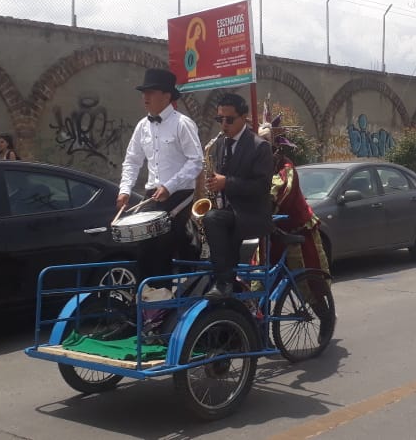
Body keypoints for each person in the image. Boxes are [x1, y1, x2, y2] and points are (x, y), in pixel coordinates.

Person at [118, 68, 204, 291]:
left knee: (161, 245)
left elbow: (196, 161)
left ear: (167, 96)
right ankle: (151, 298)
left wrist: (170, 185)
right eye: (144, 92)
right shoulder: (141, 126)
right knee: (144, 249)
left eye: (151, 92)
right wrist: (125, 189)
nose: (145, 97)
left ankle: (164, 299)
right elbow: (132, 161)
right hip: (153, 195)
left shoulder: (182, 123)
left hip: (179, 195)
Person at [203, 93, 274, 298]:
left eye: (229, 120)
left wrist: (226, 183)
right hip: (229, 213)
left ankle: (224, 282)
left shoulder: (259, 146)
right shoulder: (218, 146)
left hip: (251, 214)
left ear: (244, 118)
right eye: (220, 120)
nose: (223, 125)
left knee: (213, 220)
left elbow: (262, 187)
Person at [251, 101, 331, 279]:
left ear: (274, 142)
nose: (260, 144)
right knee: (258, 277)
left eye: (265, 140)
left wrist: (264, 202)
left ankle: (318, 306)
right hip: (270, 228)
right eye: (258, 140)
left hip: (296, 226)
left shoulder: (284, 164)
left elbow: (283, 188)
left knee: (306, 278)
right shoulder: (255, 162)